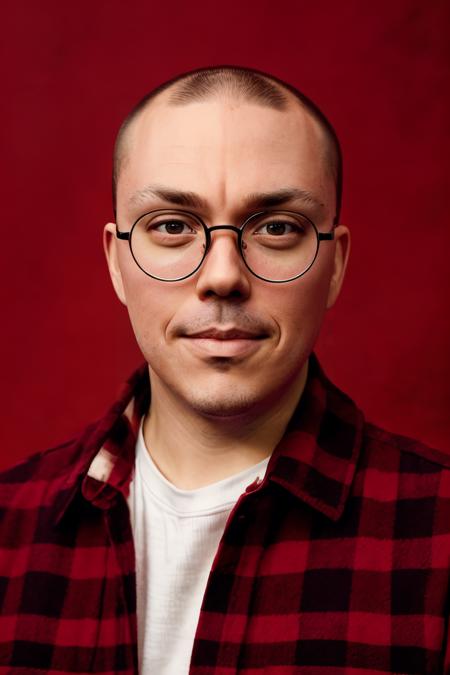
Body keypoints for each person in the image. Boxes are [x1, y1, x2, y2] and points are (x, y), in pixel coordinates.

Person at [0, 65, 449, 675]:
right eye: (172, 227)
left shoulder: (436, 535)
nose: (222, 276)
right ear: (116, 262)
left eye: (277, 228)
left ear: (335, 265)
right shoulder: (8, 532)